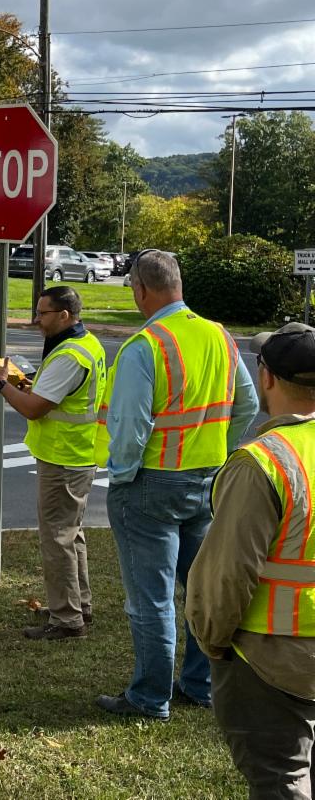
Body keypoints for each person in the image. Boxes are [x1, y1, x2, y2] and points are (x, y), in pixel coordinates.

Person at [95, 249, 259, 719]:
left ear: (141, 290)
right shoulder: (219, 336)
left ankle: (149, 697)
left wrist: (123, 475)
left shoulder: (144, 345)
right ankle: (198, 682)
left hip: (149, 485)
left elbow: (129, 426)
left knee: (151, 597)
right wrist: (220, 449)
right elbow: (246, 404)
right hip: (206, 482)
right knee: (199, 590)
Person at [186, 322, 315, 798]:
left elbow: (226, 575)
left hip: (272, 657)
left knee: (279, 780)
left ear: (267, 379)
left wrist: (213, 644)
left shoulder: (264, 461)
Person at [0, 286, 106, 640]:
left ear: (64, 315)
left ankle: (66, 619)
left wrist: (1, 384)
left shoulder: (69, 356)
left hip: (63, 458)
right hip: (77, 454)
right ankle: (80, 604)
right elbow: (54, 394)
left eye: (43, 314)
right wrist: (26, 382)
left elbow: (34, 408)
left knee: (57, 538)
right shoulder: (86, 344)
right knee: (71, 533)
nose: (37, 321)